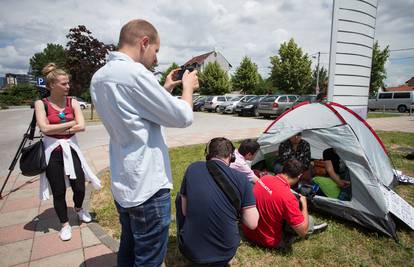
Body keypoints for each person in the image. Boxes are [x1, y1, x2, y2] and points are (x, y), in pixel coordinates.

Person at [90, 19, 199, 267]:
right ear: (144, 43)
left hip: (124, 180)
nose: (156, 58)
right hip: (147, 185)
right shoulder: (135, 74)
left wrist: (165, 88)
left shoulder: (99, 77)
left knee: (128, 250)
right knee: (148, 259)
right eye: (156, 50)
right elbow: (182, 117)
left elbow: (136, 113)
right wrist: (188, 89)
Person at [34, 63, 101, 241]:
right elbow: (44, 128)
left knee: (79, 186)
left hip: (71, 150)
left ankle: (79, 209)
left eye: (68, 83)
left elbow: (82, 126)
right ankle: (64, 224)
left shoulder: (72, 102)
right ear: (51, 86)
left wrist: (57, 128)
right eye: (63, 83)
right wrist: (70, 124)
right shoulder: (41, 104)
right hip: (52, 152)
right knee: (58, 191)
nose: (68, 86)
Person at [176, 137, 259, 266]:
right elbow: (252, 223)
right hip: (224, 253)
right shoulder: (242, 179)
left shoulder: (192, 168)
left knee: (179, 198)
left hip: (191, 251)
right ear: (231, 157)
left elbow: (185, 211)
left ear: (208, 155)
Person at [242, 159, 327, 248]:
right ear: (299, 176)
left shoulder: (264, 178)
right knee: (308, 220)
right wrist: (304, 204)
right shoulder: (288, 198)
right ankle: (312, 228)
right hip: (268, 240)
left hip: (248, 231)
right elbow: (302, 232)